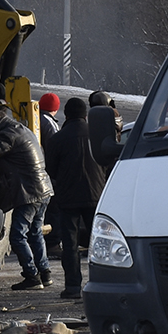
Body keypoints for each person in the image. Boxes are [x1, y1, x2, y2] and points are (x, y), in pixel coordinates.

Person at [0, 102, 54, 291]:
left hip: (29, 193)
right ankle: (45, 273)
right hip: (44, 189)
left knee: (17, 236)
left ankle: (32, 276)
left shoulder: (8, 135)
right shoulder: (22, 130)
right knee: (35, 233)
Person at [44, 96, 105, 299]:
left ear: (67, 115)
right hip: (95, 195)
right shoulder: (96, 136)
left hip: (68, 197)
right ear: (85, 115)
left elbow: (50, 169)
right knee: (99, 242)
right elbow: (106, 163)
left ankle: (72, 287)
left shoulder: (57, 139)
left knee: (70, 244)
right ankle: (102, 283)